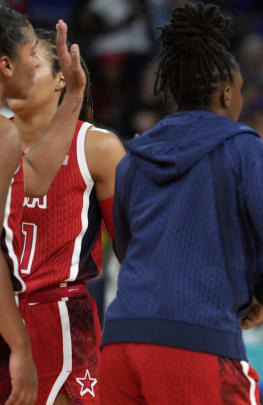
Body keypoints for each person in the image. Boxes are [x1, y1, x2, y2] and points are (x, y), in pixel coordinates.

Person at [98, 4, 263, 404]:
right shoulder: (244, 147)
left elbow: (128, 249)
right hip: (197, 342)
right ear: (227, 92)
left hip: (121, 340)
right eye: (241, 89)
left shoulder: (134, 156)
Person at [4, 27, 125, 405]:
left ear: (62, 78)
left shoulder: (98, 147)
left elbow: (132, 250)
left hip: (59, 316)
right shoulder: (2, 141)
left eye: (33, 62)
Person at [1, 7, 87, 405]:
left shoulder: (10, 137)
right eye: (31, 51)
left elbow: (31, 178)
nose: (35, 60)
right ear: (6, 65)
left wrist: (74, 93)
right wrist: (19, 344)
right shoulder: (3, 136)